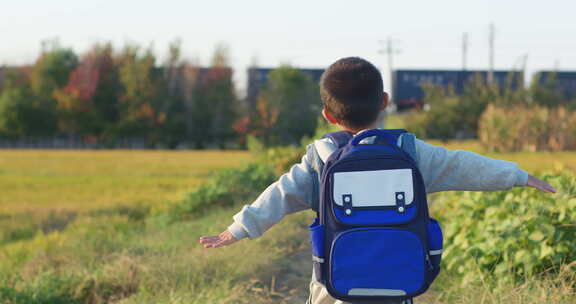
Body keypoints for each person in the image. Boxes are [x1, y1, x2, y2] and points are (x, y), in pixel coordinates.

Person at [199, 57, 557, 304]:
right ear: (384, 101)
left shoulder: (321, 157)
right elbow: (463, 165)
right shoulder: (410, 151)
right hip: (397, 279)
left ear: (327, 115)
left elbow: (280, 194)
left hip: (335, 288)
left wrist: (238, 229)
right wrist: (517, 176)